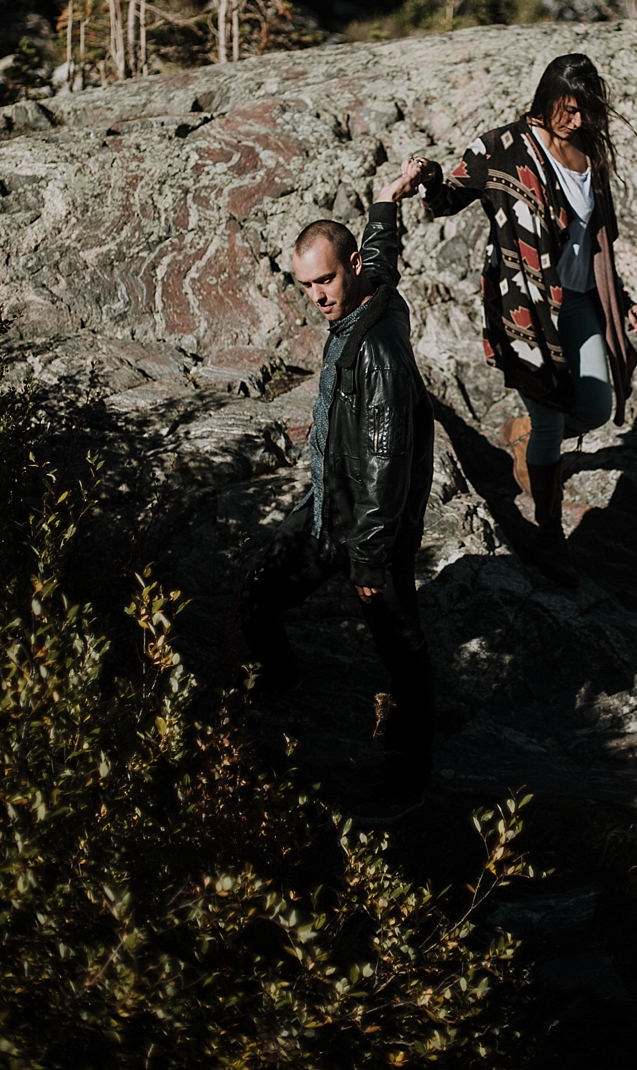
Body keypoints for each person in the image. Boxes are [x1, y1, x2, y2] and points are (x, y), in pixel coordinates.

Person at [240, 158, 436, 825]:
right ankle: (281, 679)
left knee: (401, 656)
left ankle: (412, 775)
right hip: (331, 506)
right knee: (260, 590)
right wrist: (386, 201)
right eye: (307, 286)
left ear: (346, 267)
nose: (318, 296)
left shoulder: (377, 352)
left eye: (325, 280)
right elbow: (381, 248)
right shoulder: (372, 284)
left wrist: (370, 559)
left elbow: (386, 461)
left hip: (363, 527)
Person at [418, 54, 637, 588]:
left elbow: (595, 236)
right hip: (526, 306)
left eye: (585, 112)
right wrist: (429, 178)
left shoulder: (588, 152)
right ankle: (550, 535)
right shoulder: (504, 145)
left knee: (595, 408)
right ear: (547, 98)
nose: (575, 121)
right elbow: (449, 198)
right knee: (551, 420)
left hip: (581, 296)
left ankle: (524, 437)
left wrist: (622, 295)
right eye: (567, 110)